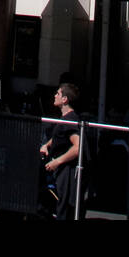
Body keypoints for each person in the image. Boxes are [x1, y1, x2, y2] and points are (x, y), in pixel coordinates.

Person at [40, 82, 81, 220]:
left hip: (66, 172)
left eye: (58, 93)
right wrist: (46, 145)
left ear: (65, 99)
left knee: (63, 210)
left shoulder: (71, 120)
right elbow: (58, 137)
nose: (55, 95)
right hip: (58, 171)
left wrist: (57, 162)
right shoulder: (64, 119)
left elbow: (77, 147)